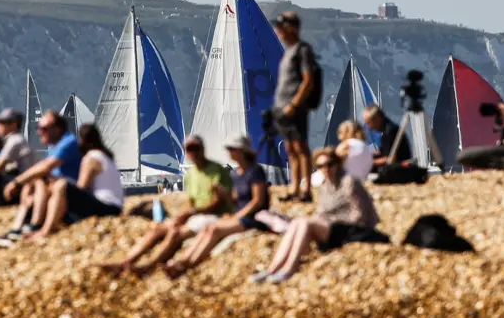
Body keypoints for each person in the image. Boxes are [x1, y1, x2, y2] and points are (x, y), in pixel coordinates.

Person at [99, 135, 232, 276]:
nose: (193, 152)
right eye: (189, 149)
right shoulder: (190, 175)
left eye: (196, 148)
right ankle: (126, 261)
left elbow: (217, 202)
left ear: (202, 149)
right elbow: (192, 202)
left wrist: (190, 213)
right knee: (157, 230)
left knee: (174, 233)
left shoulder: (216, 170)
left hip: (213, 216)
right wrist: (186, 214)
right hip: (196, 215)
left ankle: (149, 266)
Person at [252, 148, 386, 283]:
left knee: (306, 223)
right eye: (321, 166)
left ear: (337, 164)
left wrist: (331, 221)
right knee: (298, 222)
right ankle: (273, 269)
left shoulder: (349, 182)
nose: (326, 169)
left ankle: (289, 269)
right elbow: (322, 212)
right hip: (334, 228)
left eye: (330, 164)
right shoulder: (325, 186)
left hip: (353, 229)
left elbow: (361, 216)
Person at [164, 134, 270, 278]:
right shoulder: (236, 173)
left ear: (241, 151)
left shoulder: (255, 171)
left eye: (232, 149)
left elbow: (258, 201)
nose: (229, 152)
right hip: (239, 215)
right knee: (207, 228)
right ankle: (184, 259)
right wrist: (223, 193)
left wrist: (237, 215)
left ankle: (188, 263)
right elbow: (235, 201)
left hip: (253, 217)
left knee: (213, 229)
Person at [25, 124, 124, 242]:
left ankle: (45, 231)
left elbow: (82, 186)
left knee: (62, 186)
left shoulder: (91, 158)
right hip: (115, 207)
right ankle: (47, 227)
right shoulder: (106, 156)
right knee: (60, 189)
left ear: (82, 141)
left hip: (105, 207)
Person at [0, 111, 82, 239]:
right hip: (57, 188)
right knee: (31, 183)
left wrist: (16, 182)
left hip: (70, 191)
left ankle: (35, 224)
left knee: (37, 179)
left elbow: (45, 167)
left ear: (58, 129)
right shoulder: (55, 147)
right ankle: (16, 229)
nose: (39, 132)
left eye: (44, 128)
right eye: (38, 128)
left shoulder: (69, 142)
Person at [272, 11, 319, 202]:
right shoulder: (288, 51)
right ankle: (294, 188)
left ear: (292, 28)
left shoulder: (302, 50)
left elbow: (308, 80)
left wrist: (294, 104)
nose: (278, 31)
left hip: (295, 107)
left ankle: (306, 189)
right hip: (283, 108)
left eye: (282, 27)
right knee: (290, 148)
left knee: (301, 147)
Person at [364, 105, 413, 169]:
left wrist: (370, 163)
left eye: (368, 123)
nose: (369, 127)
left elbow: (390, 158)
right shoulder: (387, 130)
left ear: (377, 119)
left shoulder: (390, 131)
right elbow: (383, 152)